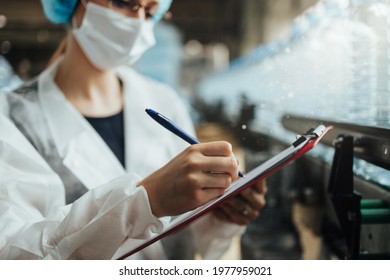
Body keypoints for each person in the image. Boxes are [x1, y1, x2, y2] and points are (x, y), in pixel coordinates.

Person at [1, 0, 266, 260]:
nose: (137, 22)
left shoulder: (164, 101)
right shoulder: (10, 118)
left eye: (150, 11)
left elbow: (190, 235)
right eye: (124, 3)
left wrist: (219, 214)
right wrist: (144, 201)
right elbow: (13, 256)